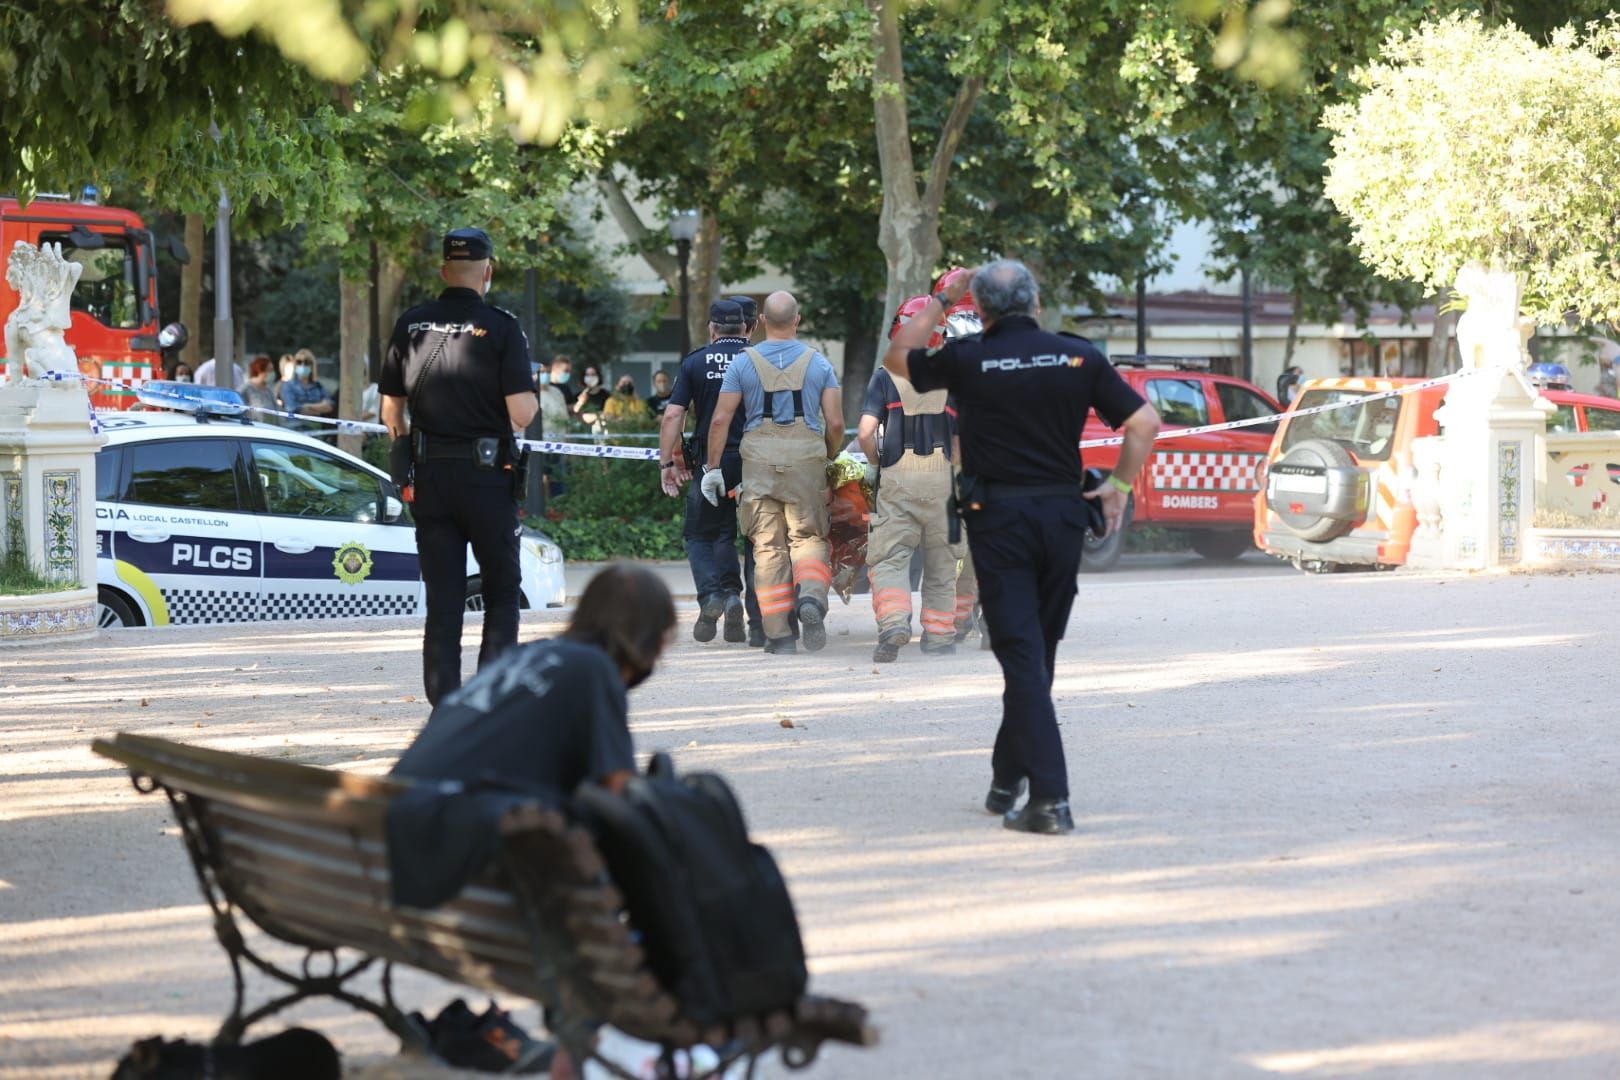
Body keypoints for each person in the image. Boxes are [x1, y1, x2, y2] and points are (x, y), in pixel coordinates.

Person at [881, 260, 1161, 835]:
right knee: (1036, 657)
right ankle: (1007, 780)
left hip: (1000, 521)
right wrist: (1119, 486)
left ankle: (1050, 801)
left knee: (1022, 657)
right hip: (1062, 519)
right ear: (1036, 304)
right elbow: (1145, 423)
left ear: (980, 309)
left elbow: (897, 357)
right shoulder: (1077, 355)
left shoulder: (968, 357)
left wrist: (942, 299)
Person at [391, 564, 676, 1080]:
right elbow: (620, 799)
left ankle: (576, 1040)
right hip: (463, 877)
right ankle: (580, 1044)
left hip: (389, 855)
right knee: (607, 882)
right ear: (649, 639)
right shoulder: (593, 670)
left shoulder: (526, 657)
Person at [380, 226, 538, 706]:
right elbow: (522, 414)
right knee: (502, 589)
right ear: (487, 272)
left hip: (431, 479)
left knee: (443, 598)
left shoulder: (411, 324)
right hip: (487, 479)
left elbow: (391, 413)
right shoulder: (502, 327)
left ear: (443, 270)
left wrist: (407, 458)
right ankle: (489, 699)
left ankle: (444, 702)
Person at [704, 291, 842, 655]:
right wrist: (827, 457)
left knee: (767, 548)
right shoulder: (819, 363)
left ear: (762, 320)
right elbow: (835, 423)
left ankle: (780, 636)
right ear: (797, 320)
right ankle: (810, 598)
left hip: (759, 462)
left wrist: (713, 468)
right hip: (806, 461)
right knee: (809, 538)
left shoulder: (742, 364)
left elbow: (720, 420)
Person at [858, 295, 965, 663]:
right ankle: (939, 636)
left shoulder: (884, 376)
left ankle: (893, 623)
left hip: (898, 478)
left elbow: (865, 432)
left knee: (889, 558)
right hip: (942, 481)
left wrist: (876, 463)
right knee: (941, 564)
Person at [660, 300, 760, 646]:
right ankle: (752, 616)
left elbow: (673, 415)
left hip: (711, 462)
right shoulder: (759, 360)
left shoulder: (696, 361)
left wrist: (668, 462)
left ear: (711, 328)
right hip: (756, 461)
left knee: (704, 535)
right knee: (757, 538)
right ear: (746, 327)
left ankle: (714, 595)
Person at [278, 349, 334, 426]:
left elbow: (329, 406)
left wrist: (307, 407)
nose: (303, 365)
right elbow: (293, 409)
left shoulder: (318, 386)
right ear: (295, 365)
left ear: (312, 365)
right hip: (295, 428)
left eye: (307, 362)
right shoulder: (288, 386)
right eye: (299, 362)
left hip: (316, 428)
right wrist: (319, 409)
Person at [537, 356, 573, 435]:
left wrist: (568, 436)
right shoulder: (532, 394)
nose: (546, 375)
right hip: (541, 439)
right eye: (542, 372)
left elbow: (565, 417)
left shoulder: (557, 392)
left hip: (560, 438)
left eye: (548, 372)